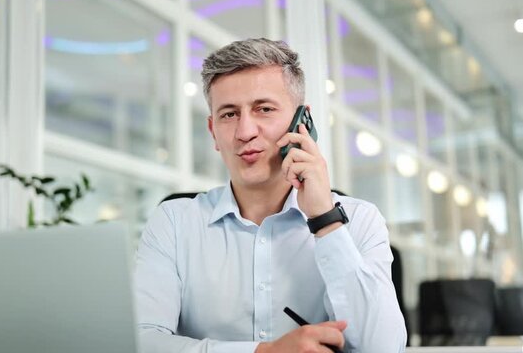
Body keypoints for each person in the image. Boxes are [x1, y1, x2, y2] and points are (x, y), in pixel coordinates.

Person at [135, 38, 406, 353]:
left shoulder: (360, 220)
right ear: (213, 132)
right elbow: (141, 341)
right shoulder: (174, 222)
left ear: (302, 122)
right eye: (228, 114)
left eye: (263, 109)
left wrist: (325, 219)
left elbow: (383, 348)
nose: (245, 131)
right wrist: (264, 352)